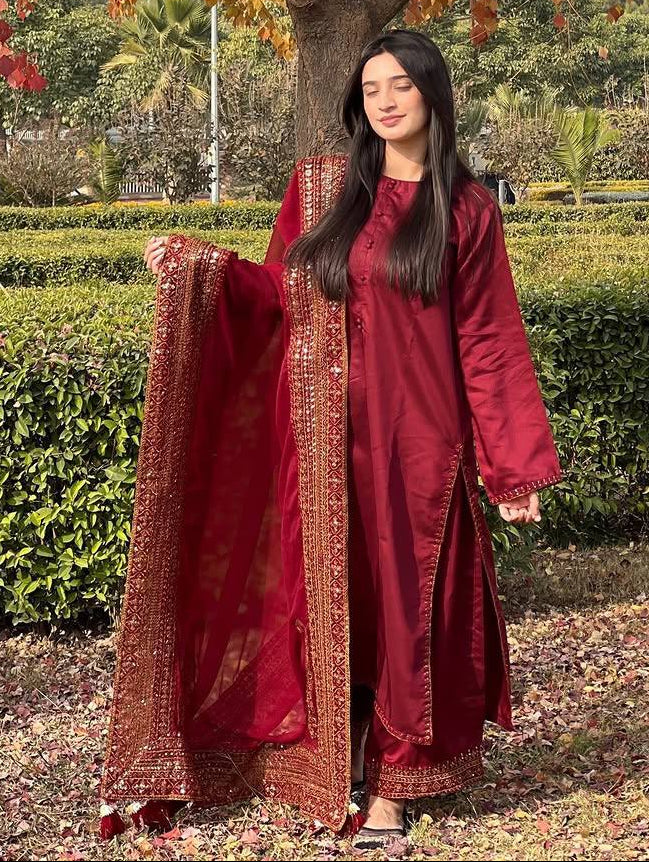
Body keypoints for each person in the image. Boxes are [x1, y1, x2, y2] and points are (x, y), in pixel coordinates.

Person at [99, 29, 562, 851]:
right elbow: (278, 295)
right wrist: (200, 268)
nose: (384, 101)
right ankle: (335, 753)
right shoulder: (318, 191)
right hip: (316, 443)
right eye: (372, 88)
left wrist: (512, 466)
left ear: (432, 97)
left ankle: (392, 786)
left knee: (407, 613)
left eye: (402, 87)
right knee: (326, 602)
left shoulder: (465, 209)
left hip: (419, 449)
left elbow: (487, 339)